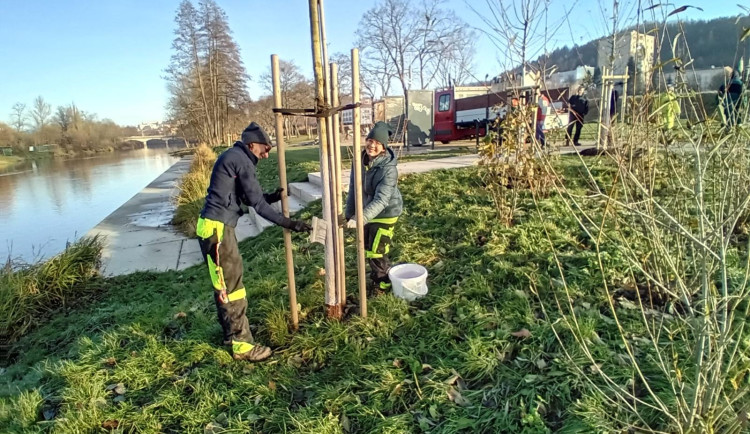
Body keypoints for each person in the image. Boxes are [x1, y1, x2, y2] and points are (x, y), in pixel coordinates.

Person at [196, 122, 311, 362]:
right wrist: (292, 224)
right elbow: (257, 207)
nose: (267, 154)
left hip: (214, 227)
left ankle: (231, 335)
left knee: (225, 286)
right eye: (265, 148)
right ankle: (243, 346)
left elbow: (247, 198)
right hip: (217, 230)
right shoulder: (242, 160)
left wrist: (269, 196)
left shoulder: (235, 156)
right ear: (252, 144)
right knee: (232, 288)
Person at [344, 121, 403, 294]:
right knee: (367, 246)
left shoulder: (389, 170)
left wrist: (360, 218)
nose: (372, 145)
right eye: (370, 140)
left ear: (383, 147)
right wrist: (349, 214)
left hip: (386, 212)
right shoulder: (360, 161)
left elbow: (382, 199)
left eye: (377, 143)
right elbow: (354, 189)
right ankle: (378, 277)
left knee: (376, 250)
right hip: (368, 210)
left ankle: (383, 284)